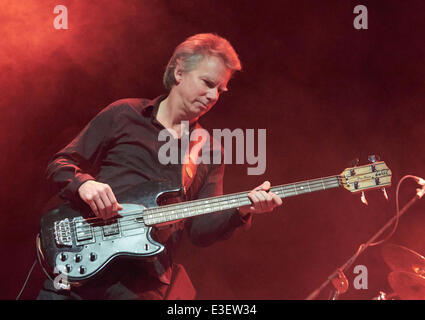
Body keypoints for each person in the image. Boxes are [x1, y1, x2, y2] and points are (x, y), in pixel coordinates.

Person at [37, 33, 282, 300]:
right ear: (179, 72)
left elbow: (200, 230)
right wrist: (85, 185)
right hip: (80, 261)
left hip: (140, 283)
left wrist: (243, 208)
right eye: (207, 83)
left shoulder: (209, 150)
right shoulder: (124, 114)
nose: (213, 96)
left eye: (220, 90)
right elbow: (59, 163)